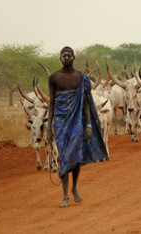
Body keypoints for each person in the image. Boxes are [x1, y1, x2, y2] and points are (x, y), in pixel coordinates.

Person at [47, 46, 108, 208]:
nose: (66, 57)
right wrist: (48, 129)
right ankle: (65, 195)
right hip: (60, 123)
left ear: (74, 57)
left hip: (77, 122)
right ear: (60, 58)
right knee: (65, 156)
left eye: (69, 55)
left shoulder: (81, 78)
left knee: (77, 156)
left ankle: (74, 188)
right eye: (63, 55)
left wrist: (88, 124)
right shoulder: (54, 77)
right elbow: (51, 103)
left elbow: (86, 103)